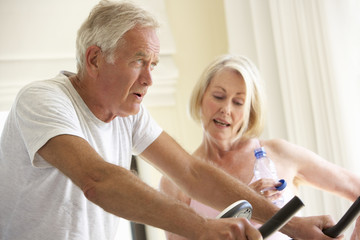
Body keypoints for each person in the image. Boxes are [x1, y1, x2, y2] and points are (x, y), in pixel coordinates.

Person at [0, 1, 343, 239]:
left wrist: (293, 227)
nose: (149, 79)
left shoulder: (127, 114)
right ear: (94, 58)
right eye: (138, 61)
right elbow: (98, 180)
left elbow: (191, 173)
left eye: (154, 64)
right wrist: (203, 229)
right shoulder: (43, 100)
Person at [160, 54, 360, 239]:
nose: (226, 109)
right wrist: (243, 207)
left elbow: (355, 187)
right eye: (219, 96)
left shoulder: (279, 153)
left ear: (251, 111)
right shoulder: (174, 180)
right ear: (201, 97)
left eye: (238, 102)